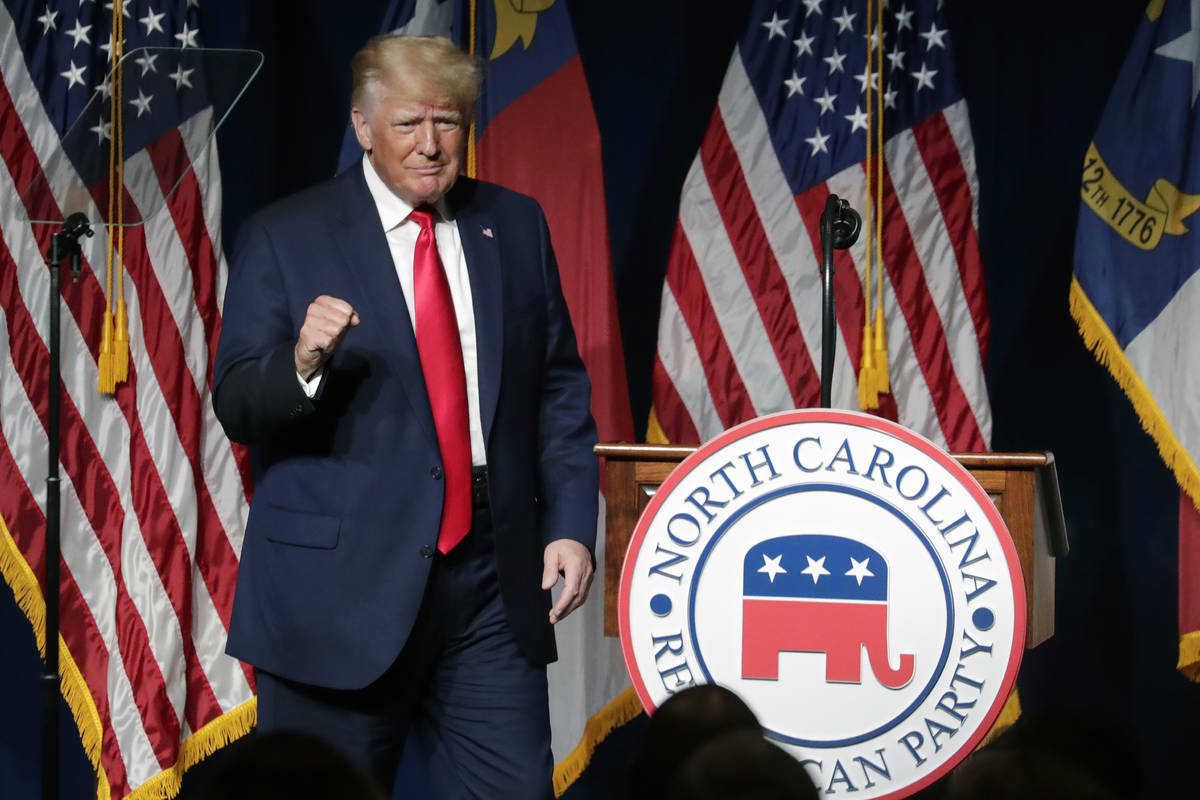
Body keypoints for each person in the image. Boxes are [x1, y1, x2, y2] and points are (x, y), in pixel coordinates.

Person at [212, 33, 598, 800]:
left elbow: (557, 388)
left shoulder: (514, 225)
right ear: (362, 126)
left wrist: (567, 525)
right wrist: (303, 364)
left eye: (448, 123)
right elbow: (238, 402)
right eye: (408, 124)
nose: (431, 146)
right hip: (338, 590)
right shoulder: (286, 235)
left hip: (491, 579)